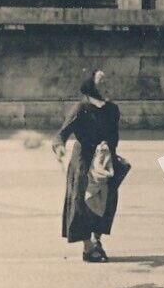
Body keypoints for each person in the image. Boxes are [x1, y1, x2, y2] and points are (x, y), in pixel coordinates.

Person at [53, 69, 126, 262]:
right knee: (82, 202)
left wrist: (111, 157)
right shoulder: (81, 108)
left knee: (106, 200)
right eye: (102, 83)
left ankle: (97, 240)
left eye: (108, 82)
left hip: (104, 161)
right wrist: (59, 147)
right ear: (92, 87)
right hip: (83, 162)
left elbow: (114, 138)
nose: (107, 87)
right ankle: (87, 247)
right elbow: (61, 135)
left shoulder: (113, 110)